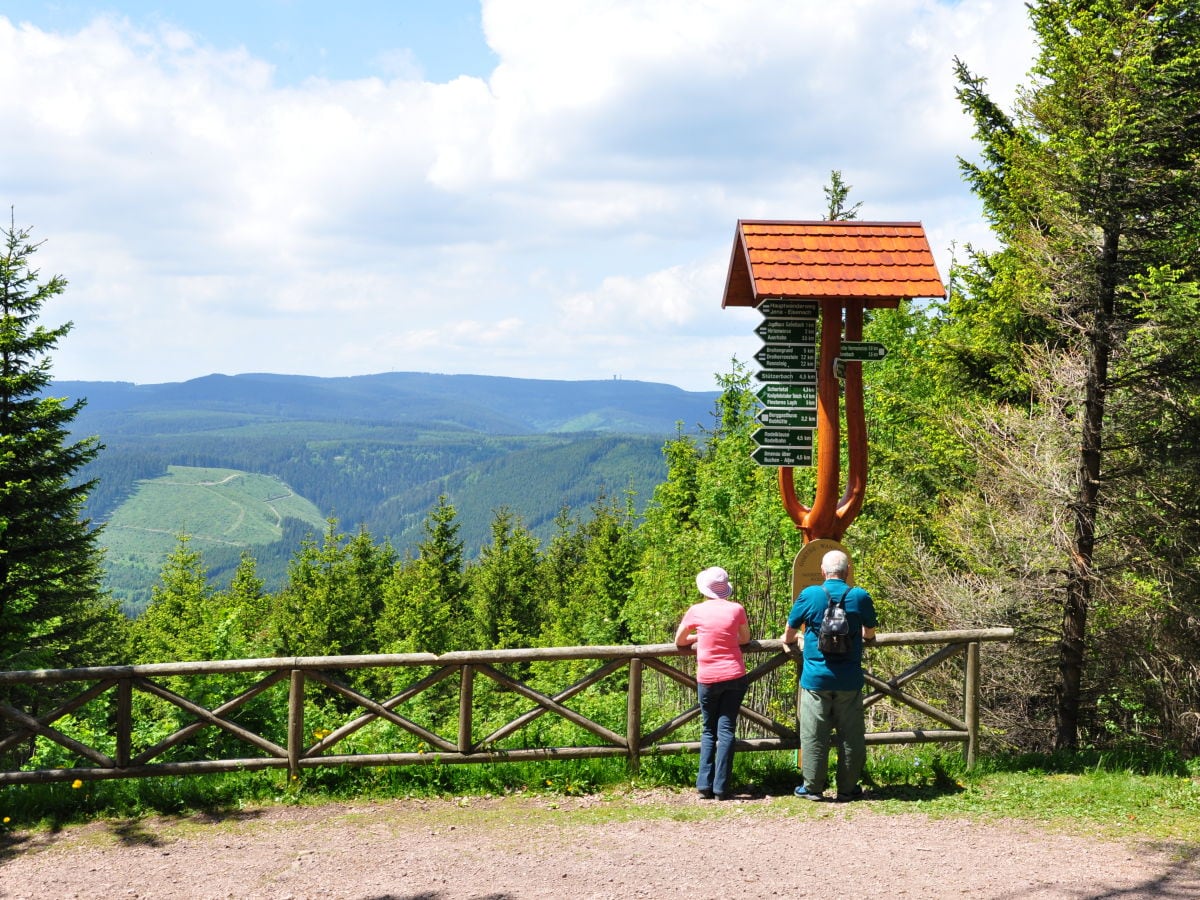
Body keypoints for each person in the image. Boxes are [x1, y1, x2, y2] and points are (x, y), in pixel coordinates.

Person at [781, 549, 877, 802]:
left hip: (815, 679)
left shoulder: (810, 594)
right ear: (848, 572)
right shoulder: (859, 596)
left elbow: (790, 630)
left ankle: (812, 788)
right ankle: (848, 788)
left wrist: (791, 641)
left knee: (814, 735)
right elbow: (870, 632)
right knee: (851, 736)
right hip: (849, 679)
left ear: (823, 572)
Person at [675, 566, 751, 800]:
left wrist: (700, 635)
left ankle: (704, 785)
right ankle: (721, 788)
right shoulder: (737, 609)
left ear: (704, 589)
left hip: (708, 677)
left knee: (709, 730)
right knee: (726, 730)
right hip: (735, 675)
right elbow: (745, 639)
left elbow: (679, 641)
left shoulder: (696, 611)